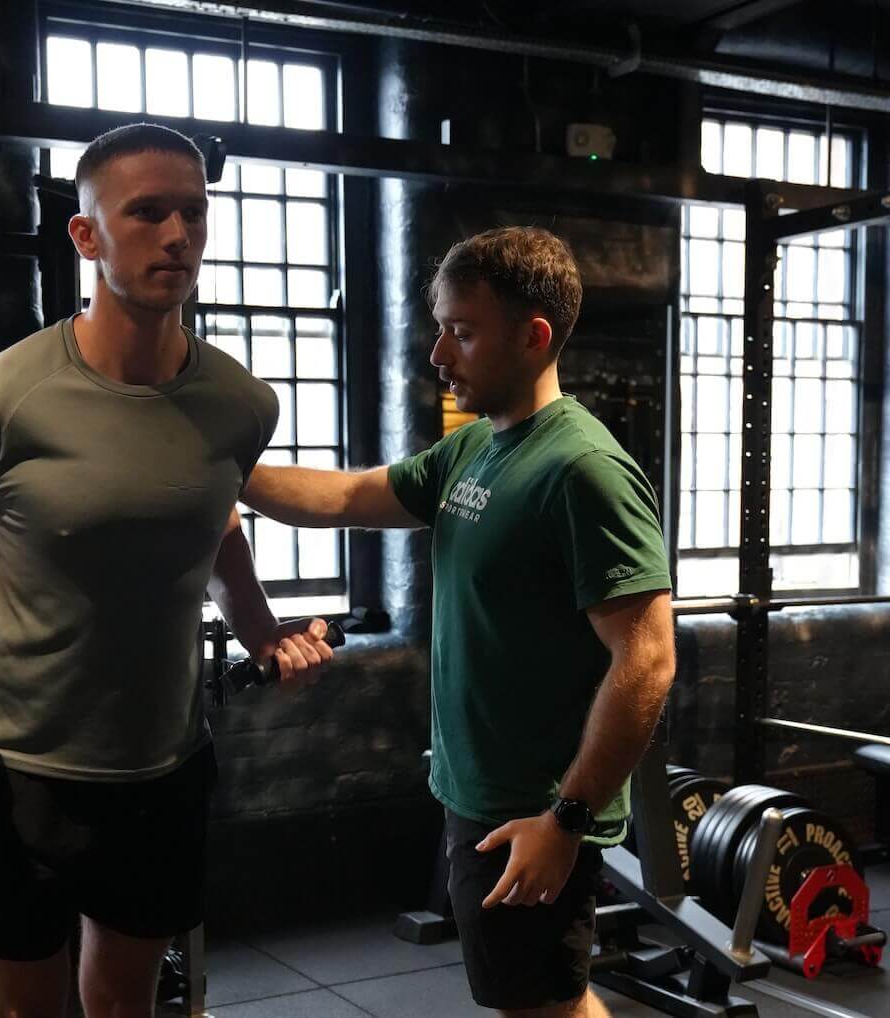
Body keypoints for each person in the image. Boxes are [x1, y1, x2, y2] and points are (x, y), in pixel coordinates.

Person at [0, 123, 335, 1018]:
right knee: (23, 1010)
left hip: (161, 764)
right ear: (86, 236)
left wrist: (264, 632)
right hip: (19, 765)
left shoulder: (240, 403)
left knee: (126, 1003)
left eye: (194, 215)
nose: (178, 236)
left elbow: (216, 523)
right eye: (148, 213)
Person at [241, 226, 676, 1018]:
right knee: (546, 1000)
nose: (438, 354)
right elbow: (341, 497)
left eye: (462, 332)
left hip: (534, 806)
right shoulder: (472, 447)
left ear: (534, 336)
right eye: (440, 327)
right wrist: (216, 463)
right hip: (476, 789)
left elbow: (647, 662)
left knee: (542, 1005)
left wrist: (565, 821)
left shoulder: (582, 470)